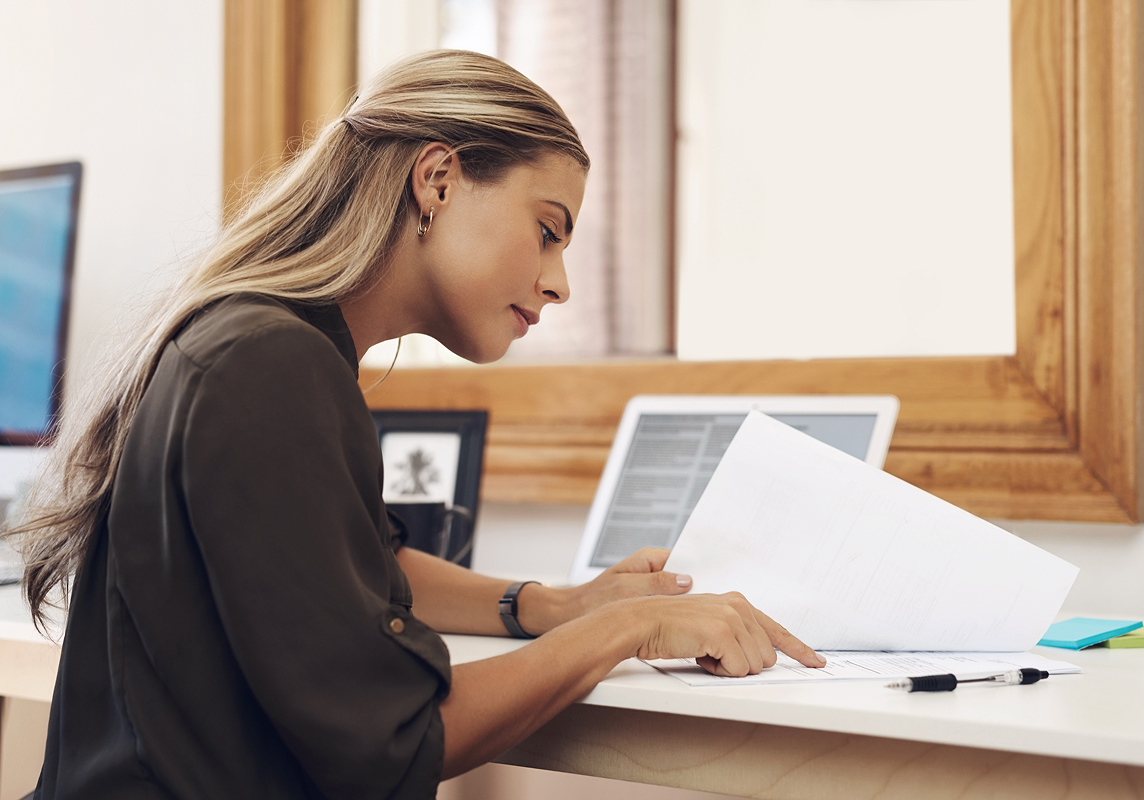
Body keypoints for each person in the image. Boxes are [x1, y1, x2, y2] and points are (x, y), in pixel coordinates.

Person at [9, 50, 824, 799]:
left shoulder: (260, 341)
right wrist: (629, 625)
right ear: (436, 179)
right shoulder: (270, 367)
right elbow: (395, 745)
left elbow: (349, 567)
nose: (560, 283)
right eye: (547, 230)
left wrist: (552, 605)